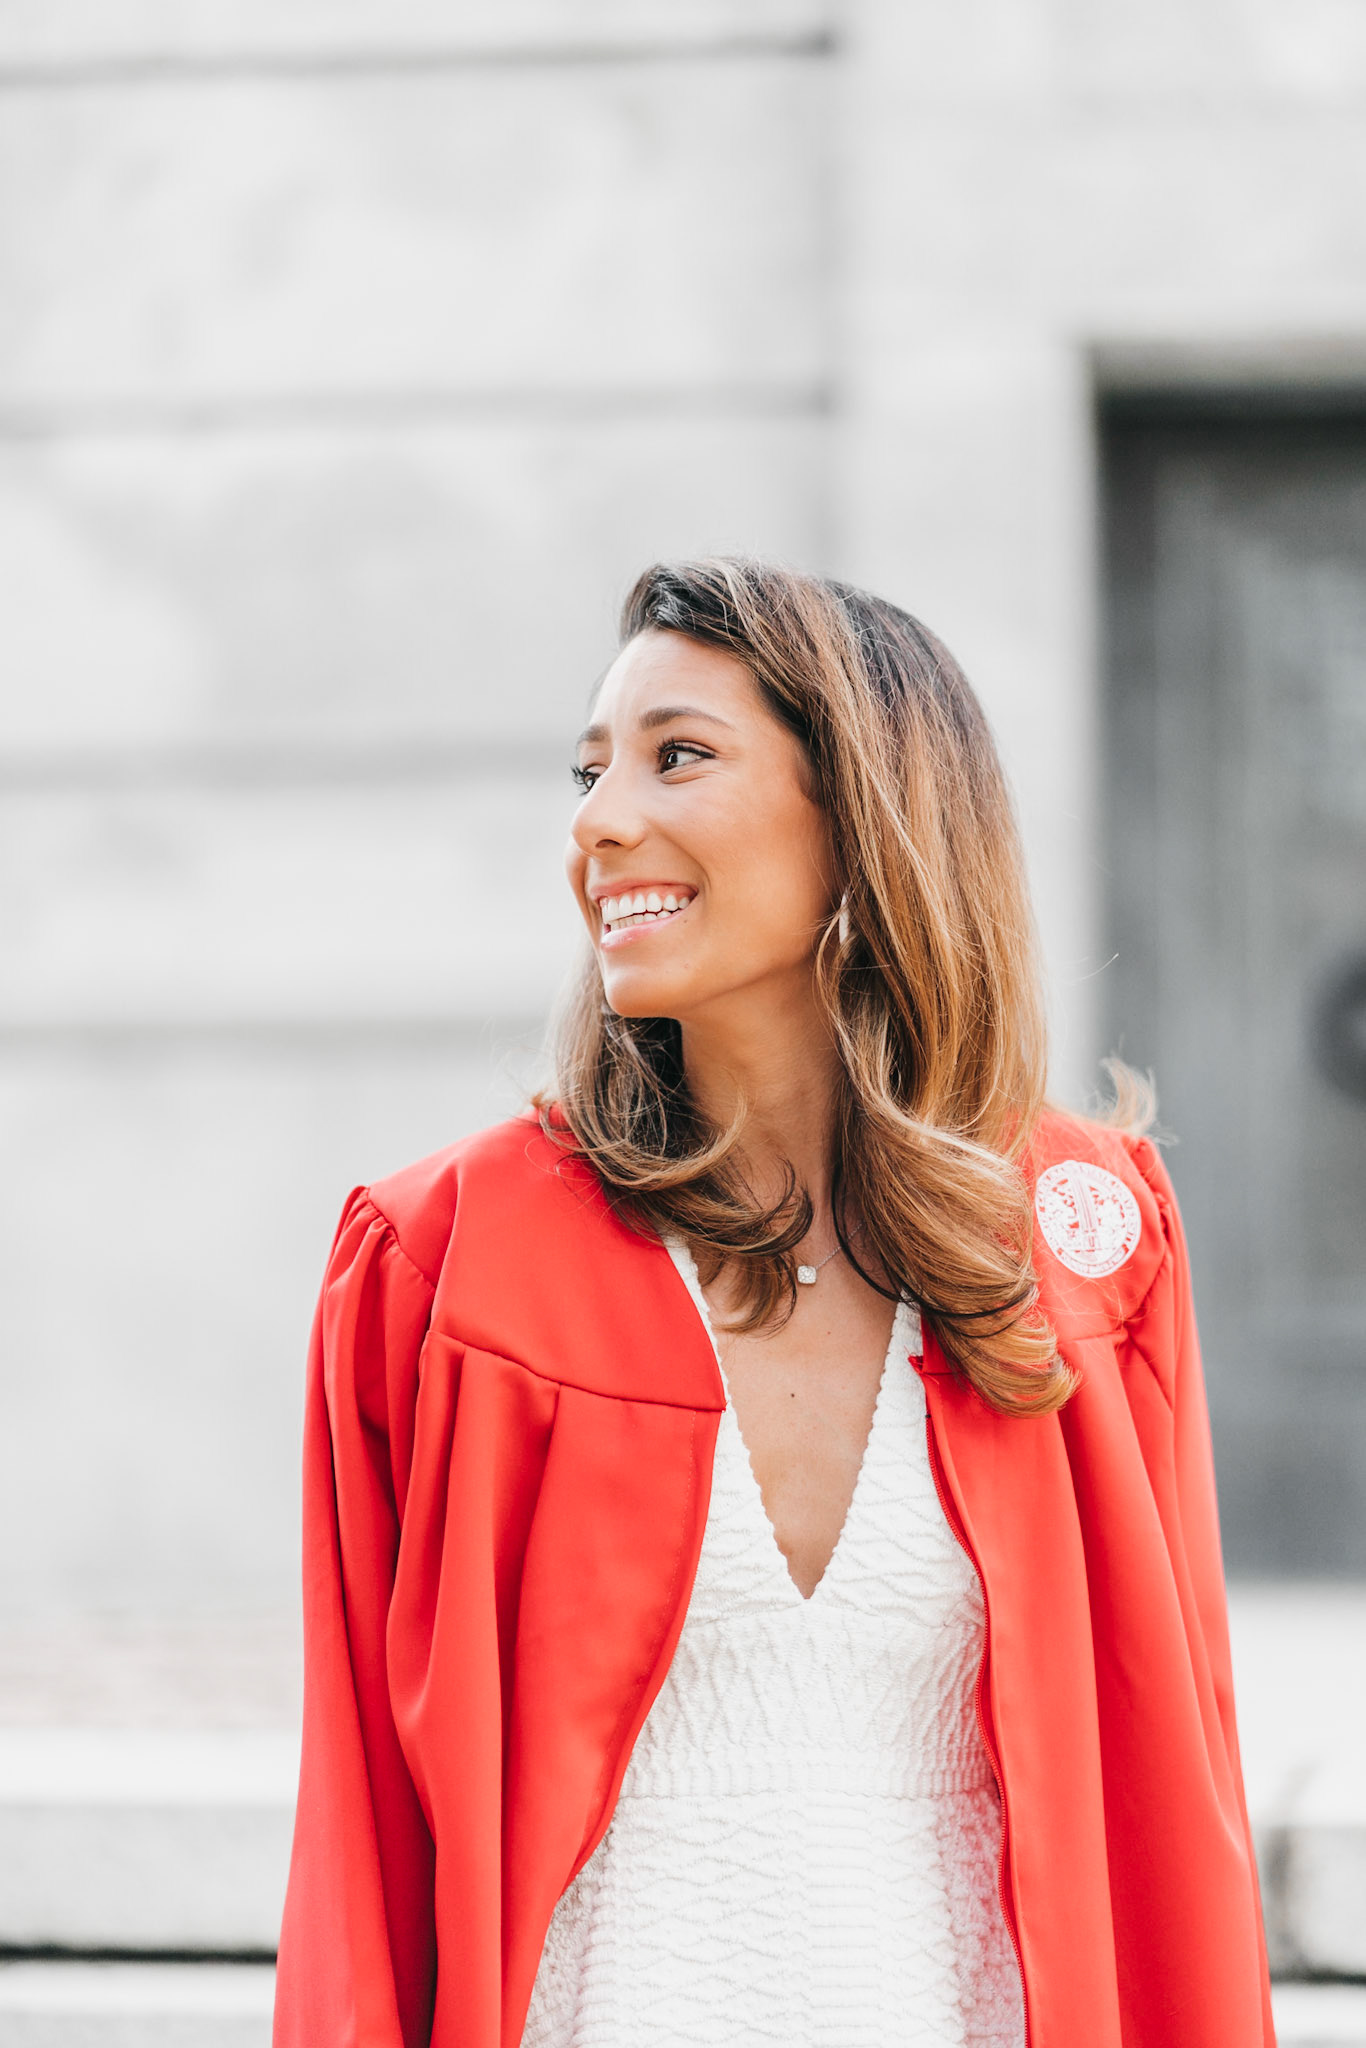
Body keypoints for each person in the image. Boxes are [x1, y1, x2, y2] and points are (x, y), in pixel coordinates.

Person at [273, 560, 1273, 2048]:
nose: (599, 821)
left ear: (865, 809)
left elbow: (1176, 1797)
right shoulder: (444, 1266)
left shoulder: (1087, 1243)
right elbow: (361, 1854)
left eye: (677, 756)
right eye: (588, 772)